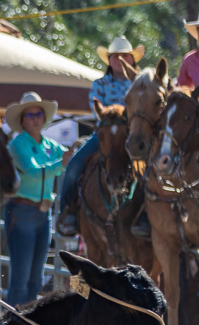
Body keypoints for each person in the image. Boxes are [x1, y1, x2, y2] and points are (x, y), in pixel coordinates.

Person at [56, 36, 144, 237]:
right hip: (105, 134)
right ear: (109, 60)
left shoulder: (141, 84)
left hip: (135, 135)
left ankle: (153, 214)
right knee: (75, 164)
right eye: (115, 56)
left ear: (132, 59)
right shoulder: (100, 84)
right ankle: (68, 212)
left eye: (124, 56)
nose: (120, 59)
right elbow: (97, 109)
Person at [4, 92, 73, 307]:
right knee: (21, 280)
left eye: (38, 114)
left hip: (43, 214)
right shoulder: (18, 145)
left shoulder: (50, 145)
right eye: (30, 115)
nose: (35, 118)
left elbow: (70, 158)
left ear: (43, 118)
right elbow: (32, 171)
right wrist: (63, 162)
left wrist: (71, 156)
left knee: (35, 281)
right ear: (22, 120)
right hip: (22, 212)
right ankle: (13, 324)